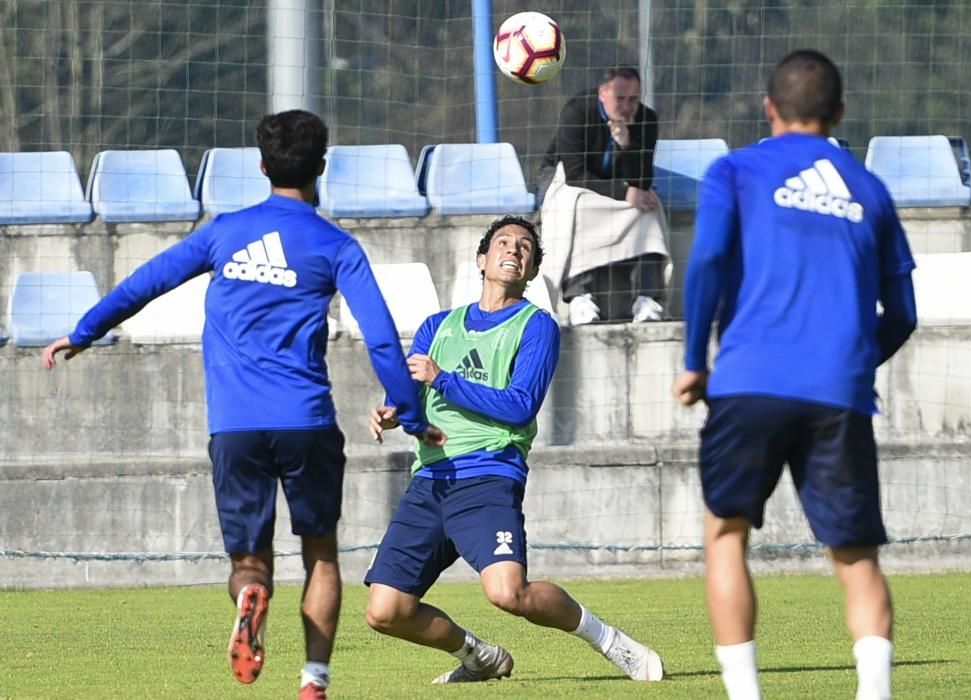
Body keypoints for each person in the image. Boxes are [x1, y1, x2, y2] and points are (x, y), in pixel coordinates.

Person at [41, 109, 445, 700]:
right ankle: (314, 680)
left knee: (250, 560)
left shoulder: (224, 232)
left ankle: (251, 596)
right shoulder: (335, 245)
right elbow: (382, 338)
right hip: (305, 420)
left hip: (234, 425)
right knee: (321, 555)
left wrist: (83, 331)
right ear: (322, 167)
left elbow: (145, 282)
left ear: (261, 166)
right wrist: (412, 416)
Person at [672, 50, 917, 700]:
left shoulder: (736, 170)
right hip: (840, 394)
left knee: (726, 534)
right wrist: (851, 363)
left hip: (748, 380)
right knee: (856, 557)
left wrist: (696, 358)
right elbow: (904, 314)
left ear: (769, 109)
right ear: (837, 113)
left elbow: (708, 261)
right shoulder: (870, 189)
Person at [363, 215, 665, 685]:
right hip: (430, 481)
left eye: (525, 247)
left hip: (487, 476)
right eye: (502, 242)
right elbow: (410, 397)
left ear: (530, 270)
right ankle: (478, 656)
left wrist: (444, 378)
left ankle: (609, 640)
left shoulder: (536, 326)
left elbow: (520, 406)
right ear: (482, 259)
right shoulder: (437, 326)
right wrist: (391, 411)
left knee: (509, 593)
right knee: (385, 611)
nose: (514, 249)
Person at [538, 65, 671, 325]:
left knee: (650, 208)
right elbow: (574, 175)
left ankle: (648, 298)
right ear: (603, 94)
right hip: (566, 177)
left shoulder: (647, 119)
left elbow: (642, 180)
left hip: (612, 184)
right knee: (575, 206)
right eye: (620, 98)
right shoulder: (576, 112)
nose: (626, 105)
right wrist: (624, 192)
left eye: (633, 99)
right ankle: (579, 297)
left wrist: (626, 145)